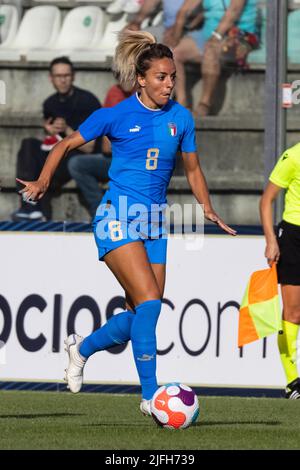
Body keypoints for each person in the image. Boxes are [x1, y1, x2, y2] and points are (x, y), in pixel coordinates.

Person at [17, 30, 236, 414]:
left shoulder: (181, 118)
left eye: (172, 77)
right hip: (116, 216)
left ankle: (81, 348)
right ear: (141, 79)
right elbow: (67, 145)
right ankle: (151, 398)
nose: (169, 84)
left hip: (154, 223)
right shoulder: (115, 115)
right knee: (150, 302)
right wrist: (44, 180)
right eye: (161, 77)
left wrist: (207, 206)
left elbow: (194, 168)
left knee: (142, 315)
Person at [12, 56, 101, 221]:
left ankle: (35, 206)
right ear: (51, 78)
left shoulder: (87, 100)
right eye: (58, 76)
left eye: (66, 76)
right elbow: (52, 142)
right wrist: (50, 132)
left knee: (45, 162)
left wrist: (66, 130)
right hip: (58, 154)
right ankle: (29, 205)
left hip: (80, 157)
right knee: (29, 145)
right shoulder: (50, 103)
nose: (63, 80)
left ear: (73, 76)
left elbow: (90, 147)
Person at [260, 143, 300, 399]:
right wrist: (271, 240)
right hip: (294, 238)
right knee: (293, 311)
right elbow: (266, 201)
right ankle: (292, 381)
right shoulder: (294, 155)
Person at [170, 0, 258, 117]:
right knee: (174, 53)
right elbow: (184, 10)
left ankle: (204, 105)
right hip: (208, 32)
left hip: (239, 35)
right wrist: (176, 32)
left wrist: (216, 37)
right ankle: (182, 104)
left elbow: (234, 11)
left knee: (210, 51)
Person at [67, 83, 133, 219]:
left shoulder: (148, 95)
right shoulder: (114, 93)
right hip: (116, 159)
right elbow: (106, 147)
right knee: (76, 164)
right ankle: (101, 212)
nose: (124, 78)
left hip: (140, 161)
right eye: (119, 73)